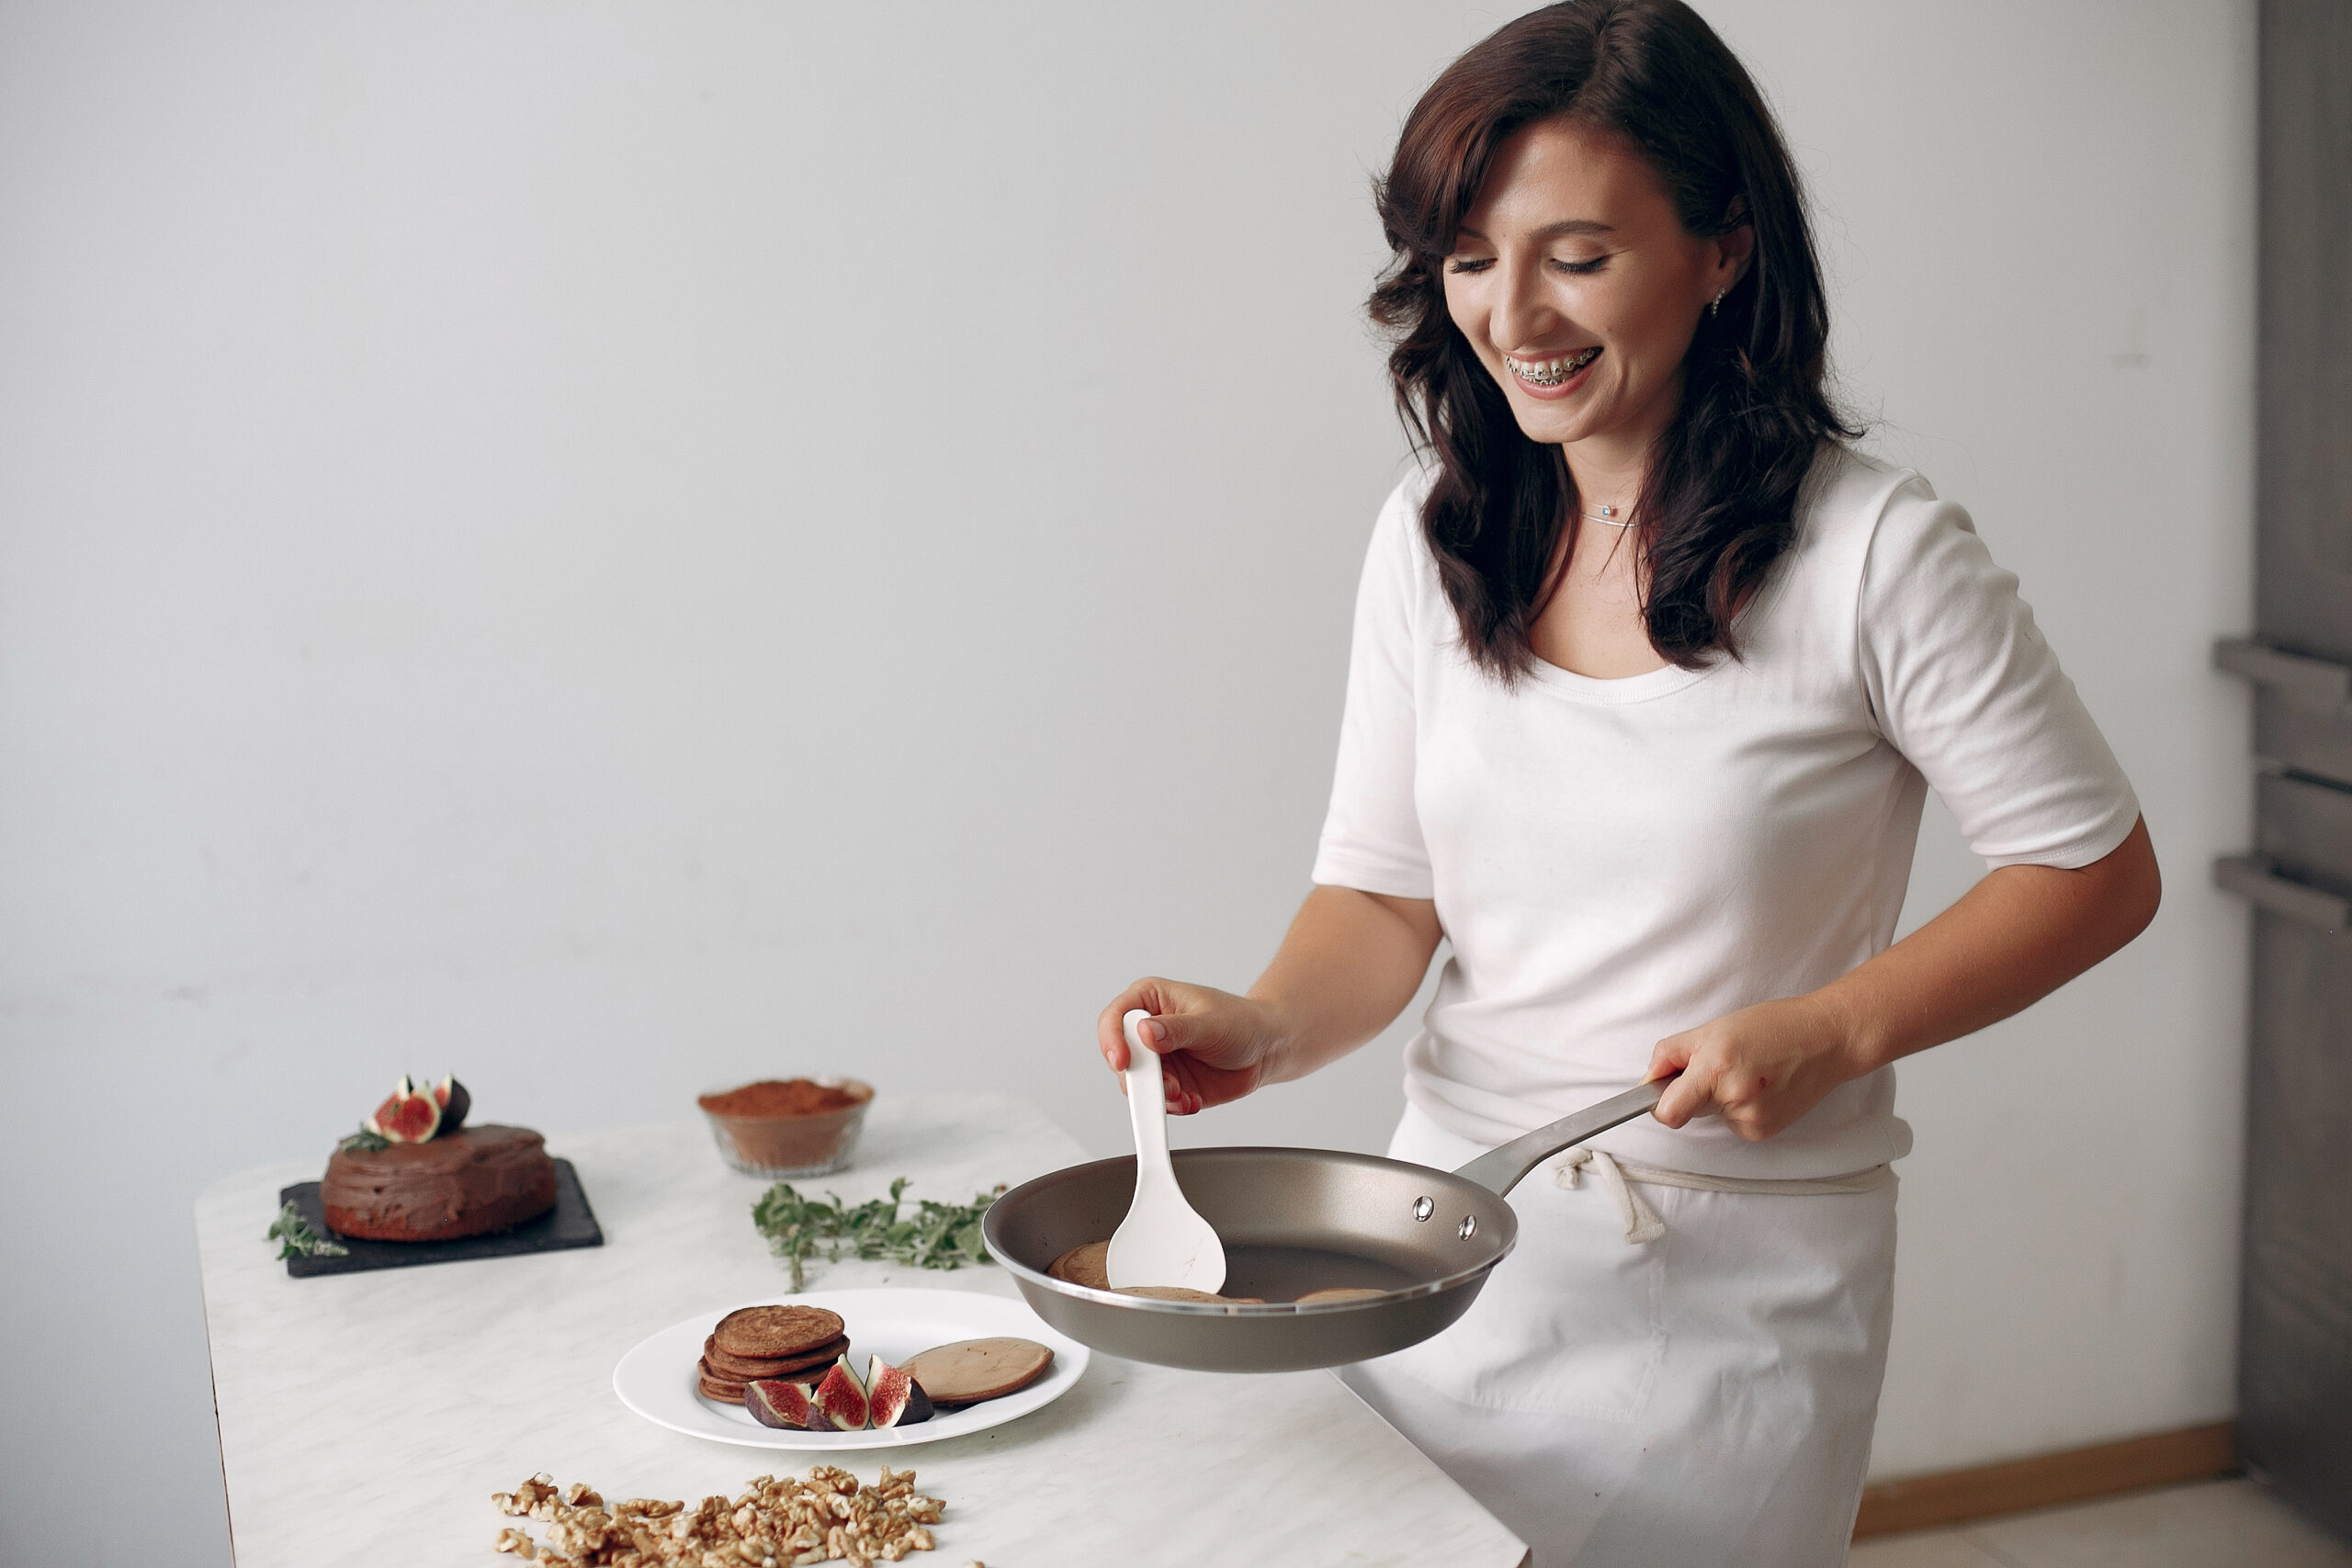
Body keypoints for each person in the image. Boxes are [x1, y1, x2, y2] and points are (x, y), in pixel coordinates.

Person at [1092, 2, 2162, 1564]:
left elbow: (2095, 870)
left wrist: (1834, 1027)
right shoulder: (1434, 531)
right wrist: (1263, 1026)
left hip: (1723, 1297)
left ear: (1723, 247)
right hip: (1438, 1243)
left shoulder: (1875, 555)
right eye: (1469, 256)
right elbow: (1384, 898)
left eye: (1576, 256)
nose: (1511, 310)